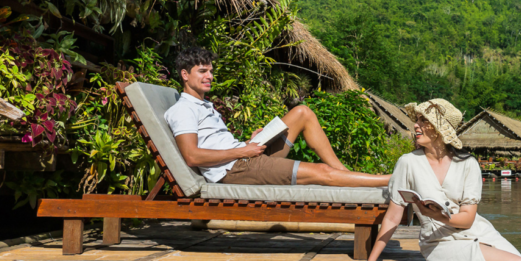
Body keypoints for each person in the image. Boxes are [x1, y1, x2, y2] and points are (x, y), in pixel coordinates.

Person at [334, 98, 521, 261]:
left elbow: (467, 219)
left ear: (438, 128)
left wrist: (438, 214)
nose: (415, 125)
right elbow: (393, 217)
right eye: (416, 120)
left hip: (476, 229)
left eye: (423, 120)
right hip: (439, 241)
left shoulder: (468, 164)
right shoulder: (407, 163)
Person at [164, 46, 389, 188]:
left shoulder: (204, 104)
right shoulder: (184, 109)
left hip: (242, 156)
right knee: (321, 172)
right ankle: (389, 180)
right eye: (202, 71)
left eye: (211, 71)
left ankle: (344, 173)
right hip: (235, 169)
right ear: (185, 75)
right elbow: (192, 157)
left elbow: (215, 143)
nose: (209, 76)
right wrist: (242, 151)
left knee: (302, 112)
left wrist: (247, 143)